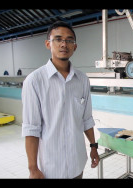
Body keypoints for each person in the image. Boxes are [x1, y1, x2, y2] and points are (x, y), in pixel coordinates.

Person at [21, 21, 100, 179]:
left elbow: (86, 119)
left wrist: (93, 146)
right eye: (58, 39)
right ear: (48, 44)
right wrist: (33, 168)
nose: (64, 44)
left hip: (77, 164)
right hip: (51, 169)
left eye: (69, 40)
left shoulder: (82, 80)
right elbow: (31, 128)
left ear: (74, 47)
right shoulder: (34, 81)